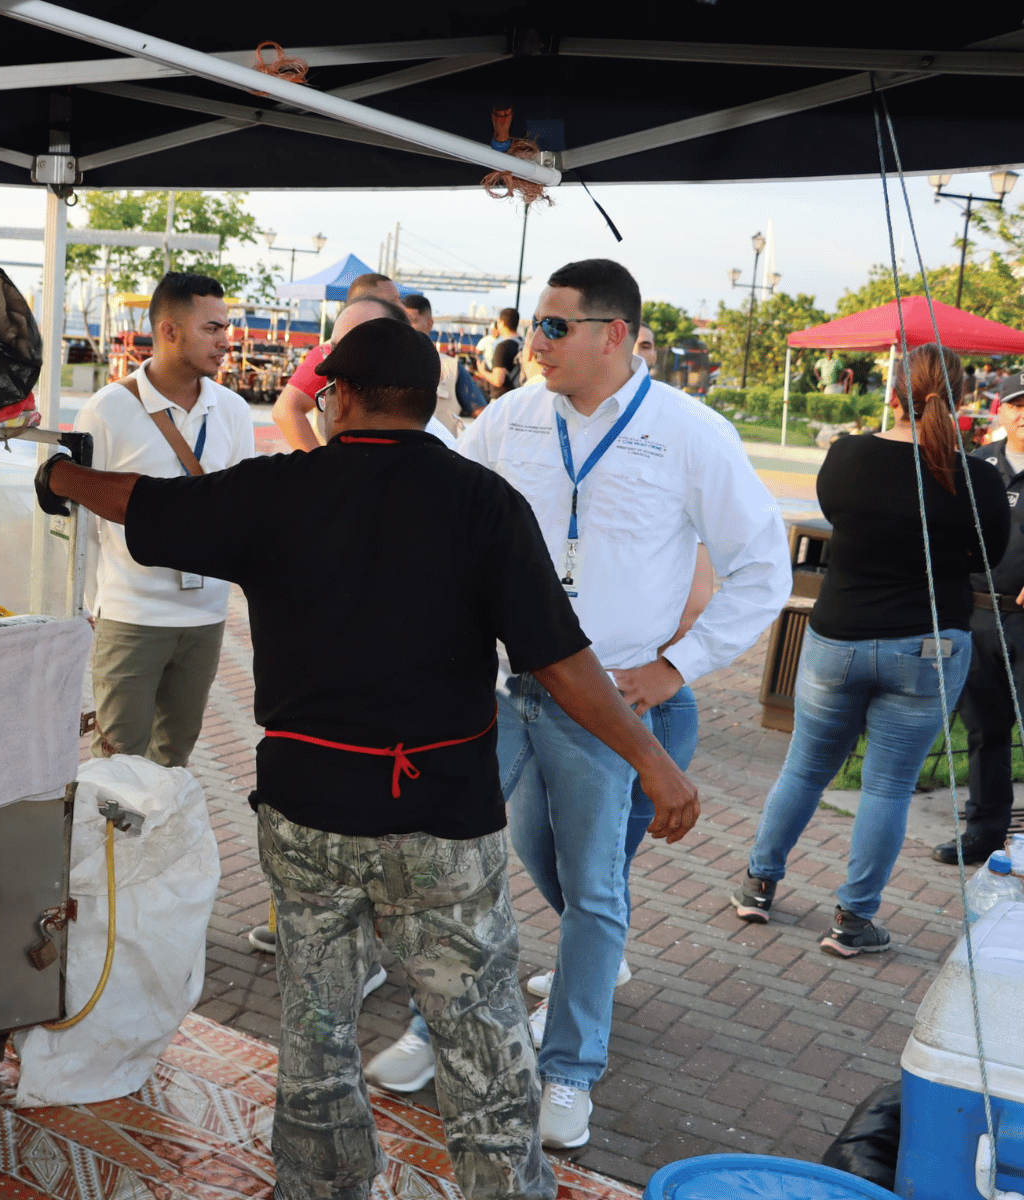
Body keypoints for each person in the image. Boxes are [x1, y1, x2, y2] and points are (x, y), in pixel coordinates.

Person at [32, 315, 700, 1200]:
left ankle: (321, 1188)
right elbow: (562, 664)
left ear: (340, 398)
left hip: (310, 819)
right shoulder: (483, 502)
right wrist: (655, 762)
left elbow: (146, 505)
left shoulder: (280, 490)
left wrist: (56, 474)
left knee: (316, 1036)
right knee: (484, 1045)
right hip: (443, 823)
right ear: (427, 405)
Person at [447, 259, 789, 1148]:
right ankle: (446, 1023)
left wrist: (679, 666)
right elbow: (441, 510)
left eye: (555, 327)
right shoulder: (510, 419)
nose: (534, 343)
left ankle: (569, 1070)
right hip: (509, 689)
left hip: (616, 707)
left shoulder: (688, 432)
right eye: (532, 324)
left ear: (615, 336)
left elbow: (763, 571)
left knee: (595, 891)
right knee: (491, 857)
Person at [730, 345, 1009, 954]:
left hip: (839, 637)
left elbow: (841, 520)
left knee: (804, 767)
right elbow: (985, 561)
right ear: (962, 398)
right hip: (928, 644)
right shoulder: (976, 478)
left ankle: (757, 885)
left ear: (892, 393)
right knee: (887, 787)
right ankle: (853, 921)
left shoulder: (847, 457)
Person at [75, 271, 256, 770]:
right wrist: (90, 606)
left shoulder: (234, 411)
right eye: (213, 328)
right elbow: (82, 522)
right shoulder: (108, 410)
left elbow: (242, 508)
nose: (226, 341)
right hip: (131, 618)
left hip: (206, 619)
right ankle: (111, 851)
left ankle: (158, 849)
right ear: (169, 331)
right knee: (116, 764)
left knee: (173, 759)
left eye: (226, 328)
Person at [939, 376, 1024, 866]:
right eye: (1016, 405)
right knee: (984, 730)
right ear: (1000, 409)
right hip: (976, 615)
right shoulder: (974, 466)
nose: (1023, 415)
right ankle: (985, 830)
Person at [273, 296, 456, 452]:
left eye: (361, 343)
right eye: (336, 347)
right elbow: (285, 410)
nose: (340, 359)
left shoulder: (440, 448)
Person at [271, 274, 403, 452]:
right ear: (365, 303)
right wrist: (319, 465)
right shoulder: (331, 351)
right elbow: (285, 410)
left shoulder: (398, 349)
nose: (402, 307)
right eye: (394, 301)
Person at [402, 292, 485, 432]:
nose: (406, 326)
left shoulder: (451, 367)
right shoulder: (386, 363)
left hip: (439, 451)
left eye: (413, 321)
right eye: (402, 320)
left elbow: (482, 414)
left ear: (430, 324)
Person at [474, 308, 523, 399]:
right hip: (519, 395)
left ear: (502, 323)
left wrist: (482, 371)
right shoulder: (523, 342)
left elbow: (498, 380)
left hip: (503, 399)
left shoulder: (503, 347)